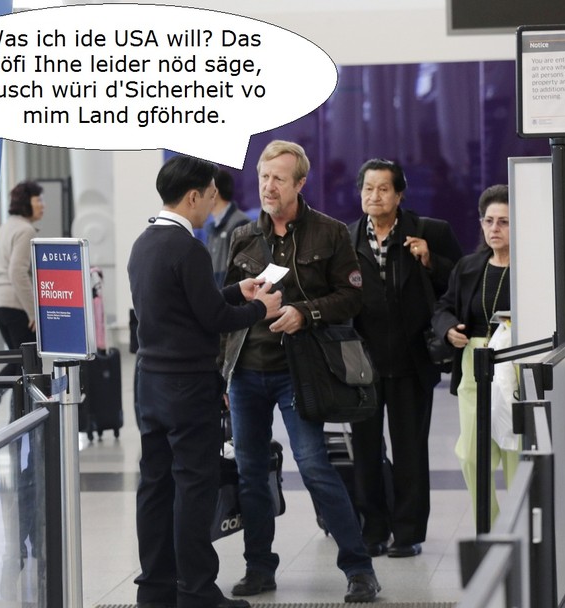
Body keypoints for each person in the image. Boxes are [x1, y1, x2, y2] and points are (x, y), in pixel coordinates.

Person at [221, 140, 381, 603]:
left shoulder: (330, 233)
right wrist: (222, 377)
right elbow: (225, 307)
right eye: (263, 177)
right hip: (247, 372)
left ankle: (359, 568)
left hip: (302, 370)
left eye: (278, 179)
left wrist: (305, 313)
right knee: (250, 472)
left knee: (314, 464)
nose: (268, 187)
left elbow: (353, 297)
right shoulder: (242, 237)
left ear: (300, 183)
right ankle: (259, 568)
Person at [128, 155, 282, 608]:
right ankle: (197, 591)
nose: (212, 205)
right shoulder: (188, 248)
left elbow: (185, 305)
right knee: (194, 487)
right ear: (193, 196)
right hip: (188, 387)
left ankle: (155, 590)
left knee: (154, 487)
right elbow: (213, 319)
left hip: (150, 383)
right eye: (210, 197)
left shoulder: (144, 243)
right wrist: (260, 310)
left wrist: (239, 290)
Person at [346, 159, 463, 558]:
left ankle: (408, 534)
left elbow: (457, 286)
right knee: (365, 452)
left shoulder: (429, 233)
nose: (373, 196)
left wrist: (431, 261)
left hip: (412, 361)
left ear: (399, 195)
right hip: (362, 365)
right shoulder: (346, 240)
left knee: (410, 450)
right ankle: (372, 530)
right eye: (367, 188)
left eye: (382, 189)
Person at [432, 184, 517, 524]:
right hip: (473, 364)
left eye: (504, 222)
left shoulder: (531, 268)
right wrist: (448, 328)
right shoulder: (470, 266)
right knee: (471, 454)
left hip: (515, 364)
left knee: (514, 452)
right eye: (488, 221)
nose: (494, 229)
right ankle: (491, 525)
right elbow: (444, 307)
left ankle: (521, 528)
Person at [0, 180, 44, 434]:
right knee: (27, 362)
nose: (42, 205)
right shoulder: (25, 231)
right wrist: (33, 312)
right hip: (15, 304)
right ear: (26, 202)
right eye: (38, 200)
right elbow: (17, 272)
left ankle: (12, 419)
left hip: (1, 303)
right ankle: (5, 413)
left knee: (18, 360)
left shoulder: (7, 227)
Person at [203, 169, 251, 287]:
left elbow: (245, 270)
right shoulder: (211, 228)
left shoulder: (240, 223)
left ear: (215, 192)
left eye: (203, 190)